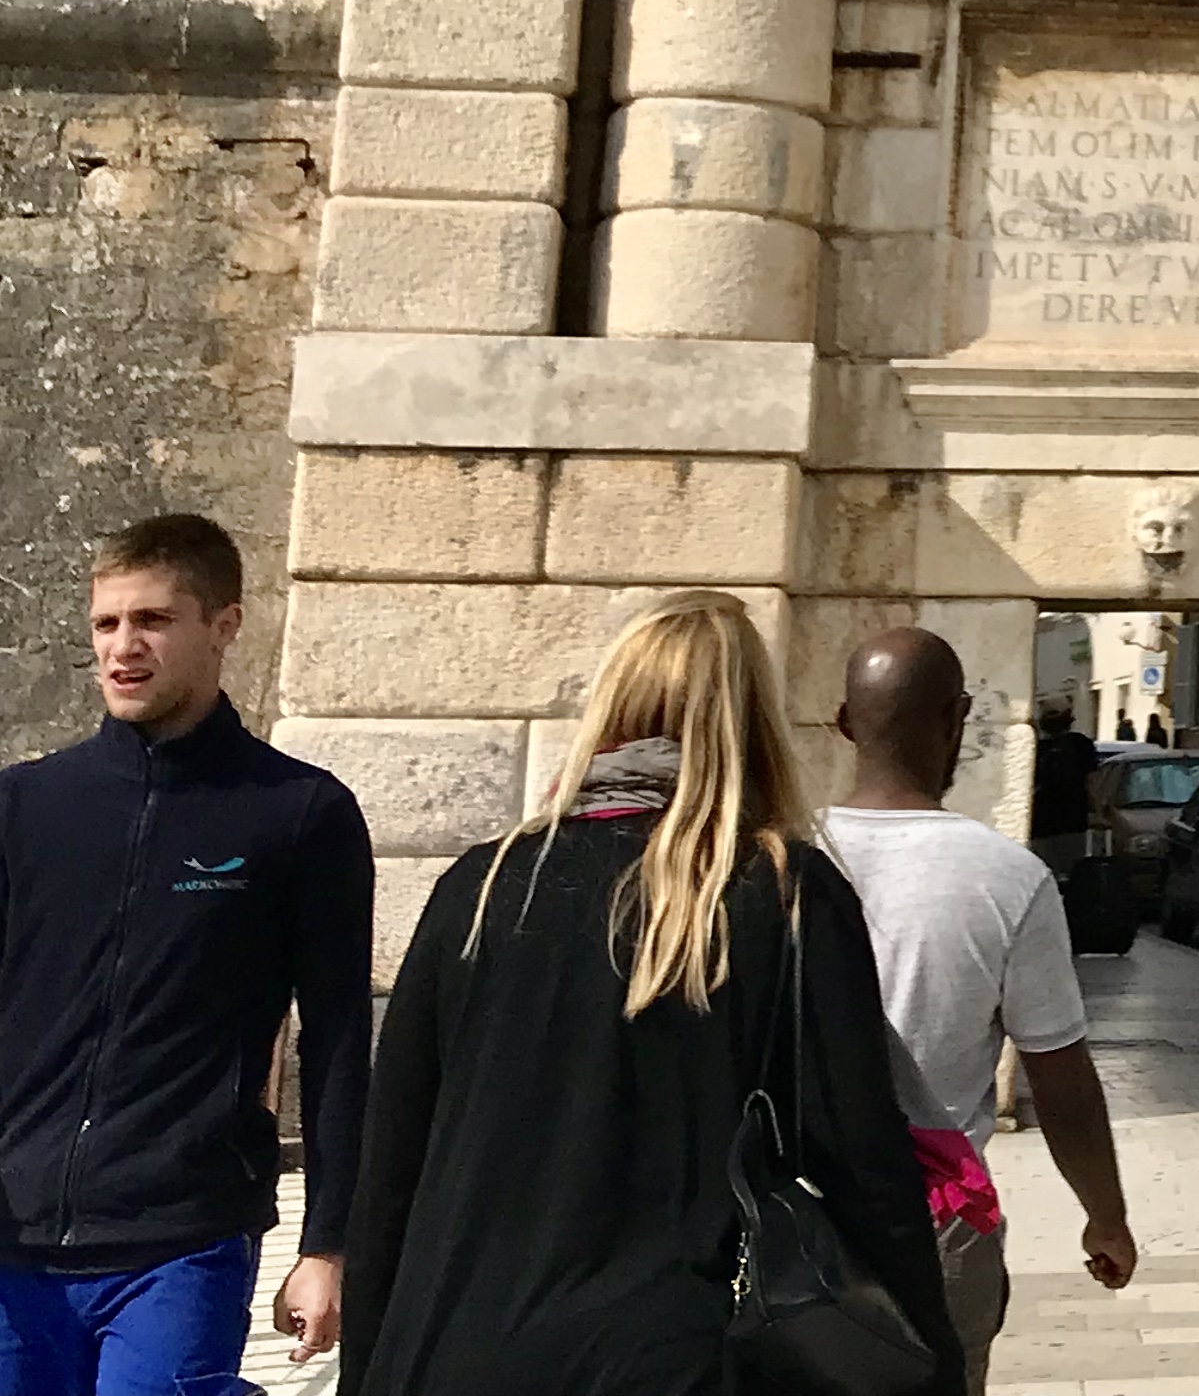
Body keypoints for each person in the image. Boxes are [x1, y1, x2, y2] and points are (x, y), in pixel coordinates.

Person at [344, 589, 960, 1396]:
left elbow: (390, 1169)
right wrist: (935, 1363)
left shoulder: (481, 888)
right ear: (751, 724)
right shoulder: (780, 896)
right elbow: (864, 1166)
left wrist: (364, 1370)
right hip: (667, 1357)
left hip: (450, 1349)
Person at [0, 513, 372, 1386]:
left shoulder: (298, 814)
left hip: (181, 1244)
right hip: (12, 1242)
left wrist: (328, 1245)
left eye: (153, 620)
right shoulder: (24, 807)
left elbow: (338, 1039)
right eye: (106, 623)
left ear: (224, 624)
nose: (123, 647)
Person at [821, 630, 1137, 1394]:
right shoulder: (1009, 879)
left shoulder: (778, 856)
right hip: (938, 1224)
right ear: (957, 719)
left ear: (845, 723)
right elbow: (1058, 1075)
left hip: (801, 1221)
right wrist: (1106, 1216)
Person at [1025, 707, 1097, 850]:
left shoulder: (1037, 748)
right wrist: (1096, 811)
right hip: (1074, 815)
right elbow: (1091, 781)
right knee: (1072, 857)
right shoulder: (1080, 743)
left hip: (1041, 817)